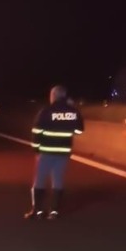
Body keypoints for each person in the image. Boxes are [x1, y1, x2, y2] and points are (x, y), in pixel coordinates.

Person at [27, 85, 85, 219]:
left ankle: (38, 211)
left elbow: (37, 131)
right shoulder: (73, 111)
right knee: (58, 181)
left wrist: (36, 148)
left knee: (39, 181)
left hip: (46, 151)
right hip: (63, 152)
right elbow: (79, 130)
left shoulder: (46, 111)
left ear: (53, 95)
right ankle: (54, 211)